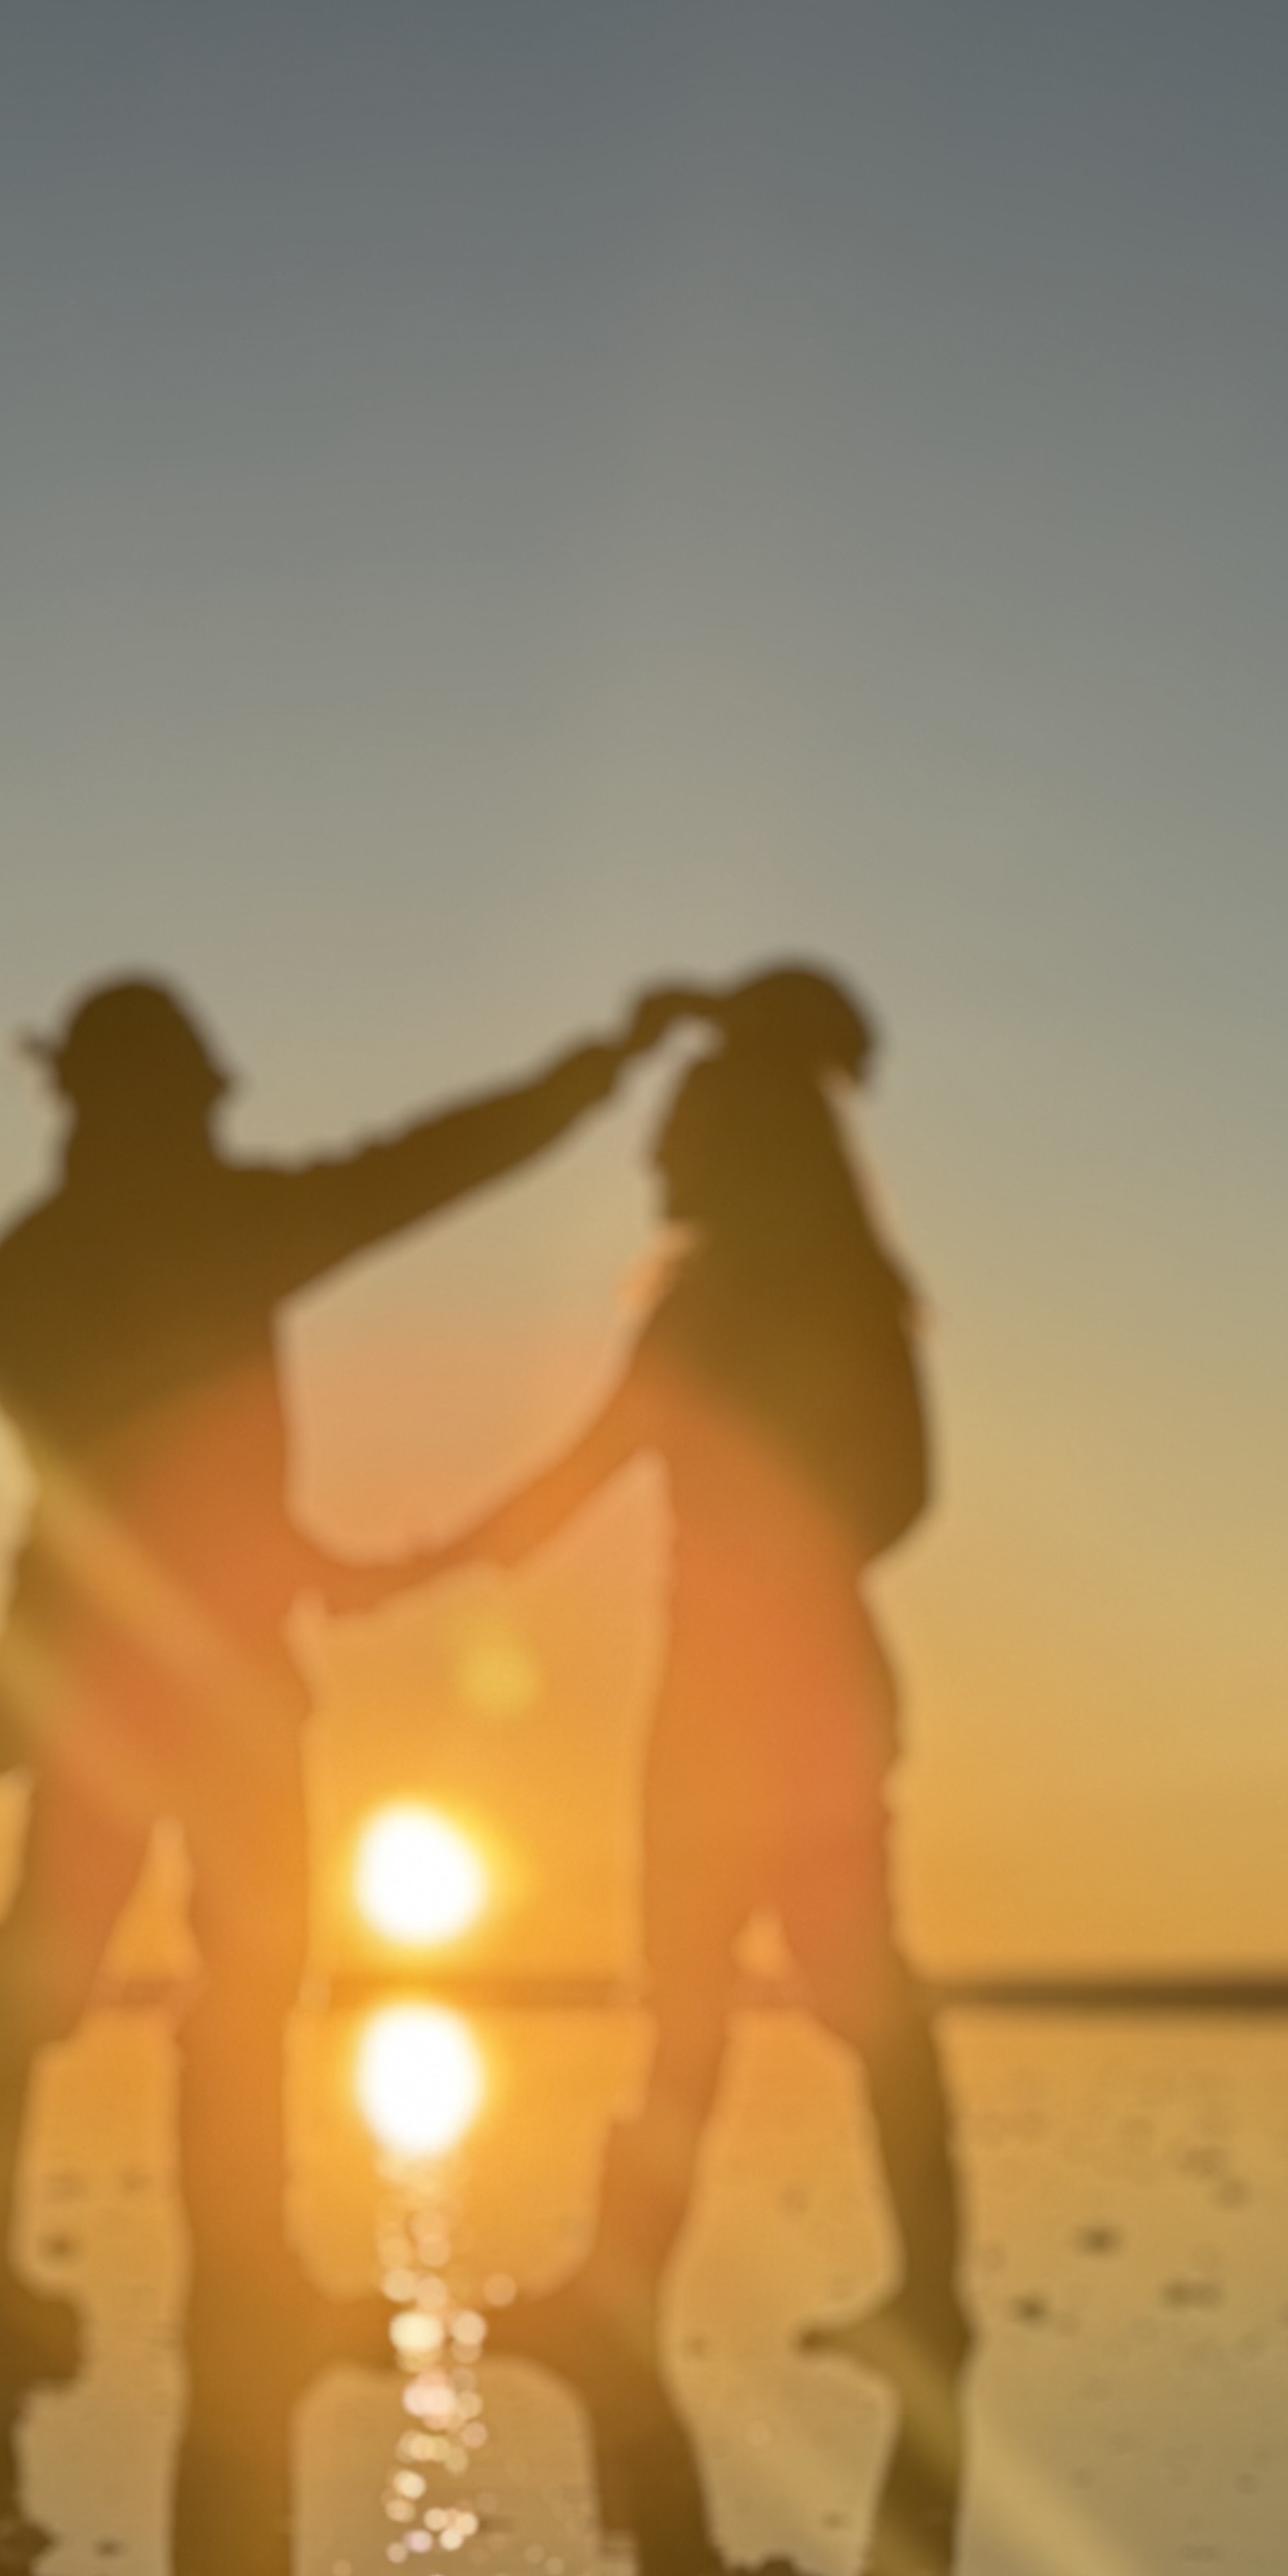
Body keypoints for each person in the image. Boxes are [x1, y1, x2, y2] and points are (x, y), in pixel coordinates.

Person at [0, 971, 695, 2378]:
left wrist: (278, 1557)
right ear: (144, 1107)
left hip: (129, 1669)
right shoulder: (209, 1235)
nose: (217, 1126)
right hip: (190, 1681)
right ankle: (187, 2288)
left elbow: (100, 1471)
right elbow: (426, 1170)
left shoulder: (30, 1266)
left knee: (143, 1974)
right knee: (171, 1981)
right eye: (197, 1104)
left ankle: (84, 2286)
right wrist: (602, 1067)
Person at [332, 962, 966, 2376]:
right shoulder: (802, 1297)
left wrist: (400, 1573)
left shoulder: (751, 1306)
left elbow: (587, 1481)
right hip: (752, 1692)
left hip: (768, 1697)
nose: (651, 1159)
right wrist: (405, 1572)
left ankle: (881, 2300)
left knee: (807, 1994)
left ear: (737, 1145)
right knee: (741, 1999)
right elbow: (596, 1483)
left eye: (676, 1132)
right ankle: (696, 2297)